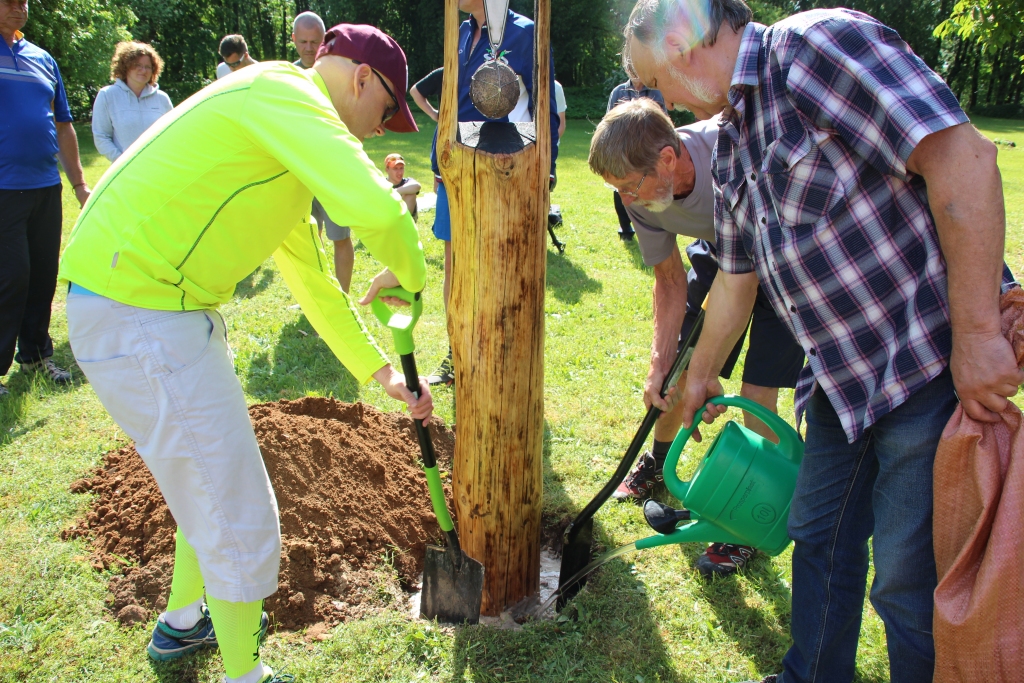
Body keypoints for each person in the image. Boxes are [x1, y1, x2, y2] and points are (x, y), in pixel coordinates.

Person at [623, 1, 1022, 681]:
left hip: (921, 367)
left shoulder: (815, 48)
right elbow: (739, 279)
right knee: (818, 541)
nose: (662, 99)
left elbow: (963, 156)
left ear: (686, 44)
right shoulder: (734, 133)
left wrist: (982, 333)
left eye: (654, 80)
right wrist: (699, 375)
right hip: (839, 379)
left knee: (905, 579)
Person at [59, 24, 428, 683]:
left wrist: (380, 371)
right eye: (384, 112)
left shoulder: (280, 142)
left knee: (206, 484)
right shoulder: (282, 94)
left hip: (143, 304)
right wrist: (413, 275)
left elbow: (315, 284)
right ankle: (245, 674)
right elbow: (380, 209)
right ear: (361, 78)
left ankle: (184, 621)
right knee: (236, 507)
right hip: (139, 308)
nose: (382, 131)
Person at [589, 98, 805, 577]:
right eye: (617, 190)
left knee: (757, 394)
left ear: (668, 159)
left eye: (629, 186)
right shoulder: (643, 199)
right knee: (678, 375)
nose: (626, 200)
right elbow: (669, 280)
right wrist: (658, 362)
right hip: (720, 253)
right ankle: (659, 462)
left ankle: (742, 525)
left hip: (779, 256)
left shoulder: (729, 152)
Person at [425, 0, 560, 387]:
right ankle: (457, 353)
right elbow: (453, 102)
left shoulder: (527, 32)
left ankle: (500, 360)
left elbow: (543, 104)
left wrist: (545, 170)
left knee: (499, 266)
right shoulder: (462, 32)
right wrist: (440, 160)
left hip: (501, 169)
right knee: (456, 263)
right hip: (455, 167)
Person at [0, 0, 87, 399]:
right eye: (9, 2)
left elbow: (63, 124)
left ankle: (36, 355)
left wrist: (78, 184)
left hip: (44, 185)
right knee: (12, 275)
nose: (19, 8)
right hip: (4, 187)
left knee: (42, 275)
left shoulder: (41, 58)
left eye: (24, 3)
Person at [286, 10, 355, 293]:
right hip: (299, 171)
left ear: (323, 40)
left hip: (332, 170)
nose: (309, 48)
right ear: (293, 40)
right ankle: (317, 297)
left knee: (340, 236)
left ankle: (343, 298)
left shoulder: (339, 73)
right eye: (303, 41)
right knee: (309, 240)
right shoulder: (286, 76)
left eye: (315, 41)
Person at [91, 41, 173, 163]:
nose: (143, 70)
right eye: (137, 65)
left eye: (148, 67)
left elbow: (172, 134)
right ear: (125, 66)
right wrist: (121, 161)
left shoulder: (162, 98)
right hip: (126, 170)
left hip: (159, 167)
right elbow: (101, 136)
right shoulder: (107, 95)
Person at [606, 78, 667, 241]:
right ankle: (625, 228)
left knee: (647, 188)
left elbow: (664, 122)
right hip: (623, 150)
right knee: (620, 189)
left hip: (648, 151)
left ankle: (651, 228)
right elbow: (608, 122)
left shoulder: (656, 92)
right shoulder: (618, 92)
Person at [384, 153, 421, 221]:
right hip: (386, 219)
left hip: (405, 220)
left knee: (410, 193)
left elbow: (417, 186)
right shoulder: (382, 183)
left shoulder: (407, 182)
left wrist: (394, 192)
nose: (399, 172)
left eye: (401, 168)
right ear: (387, 169)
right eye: (395, 169)